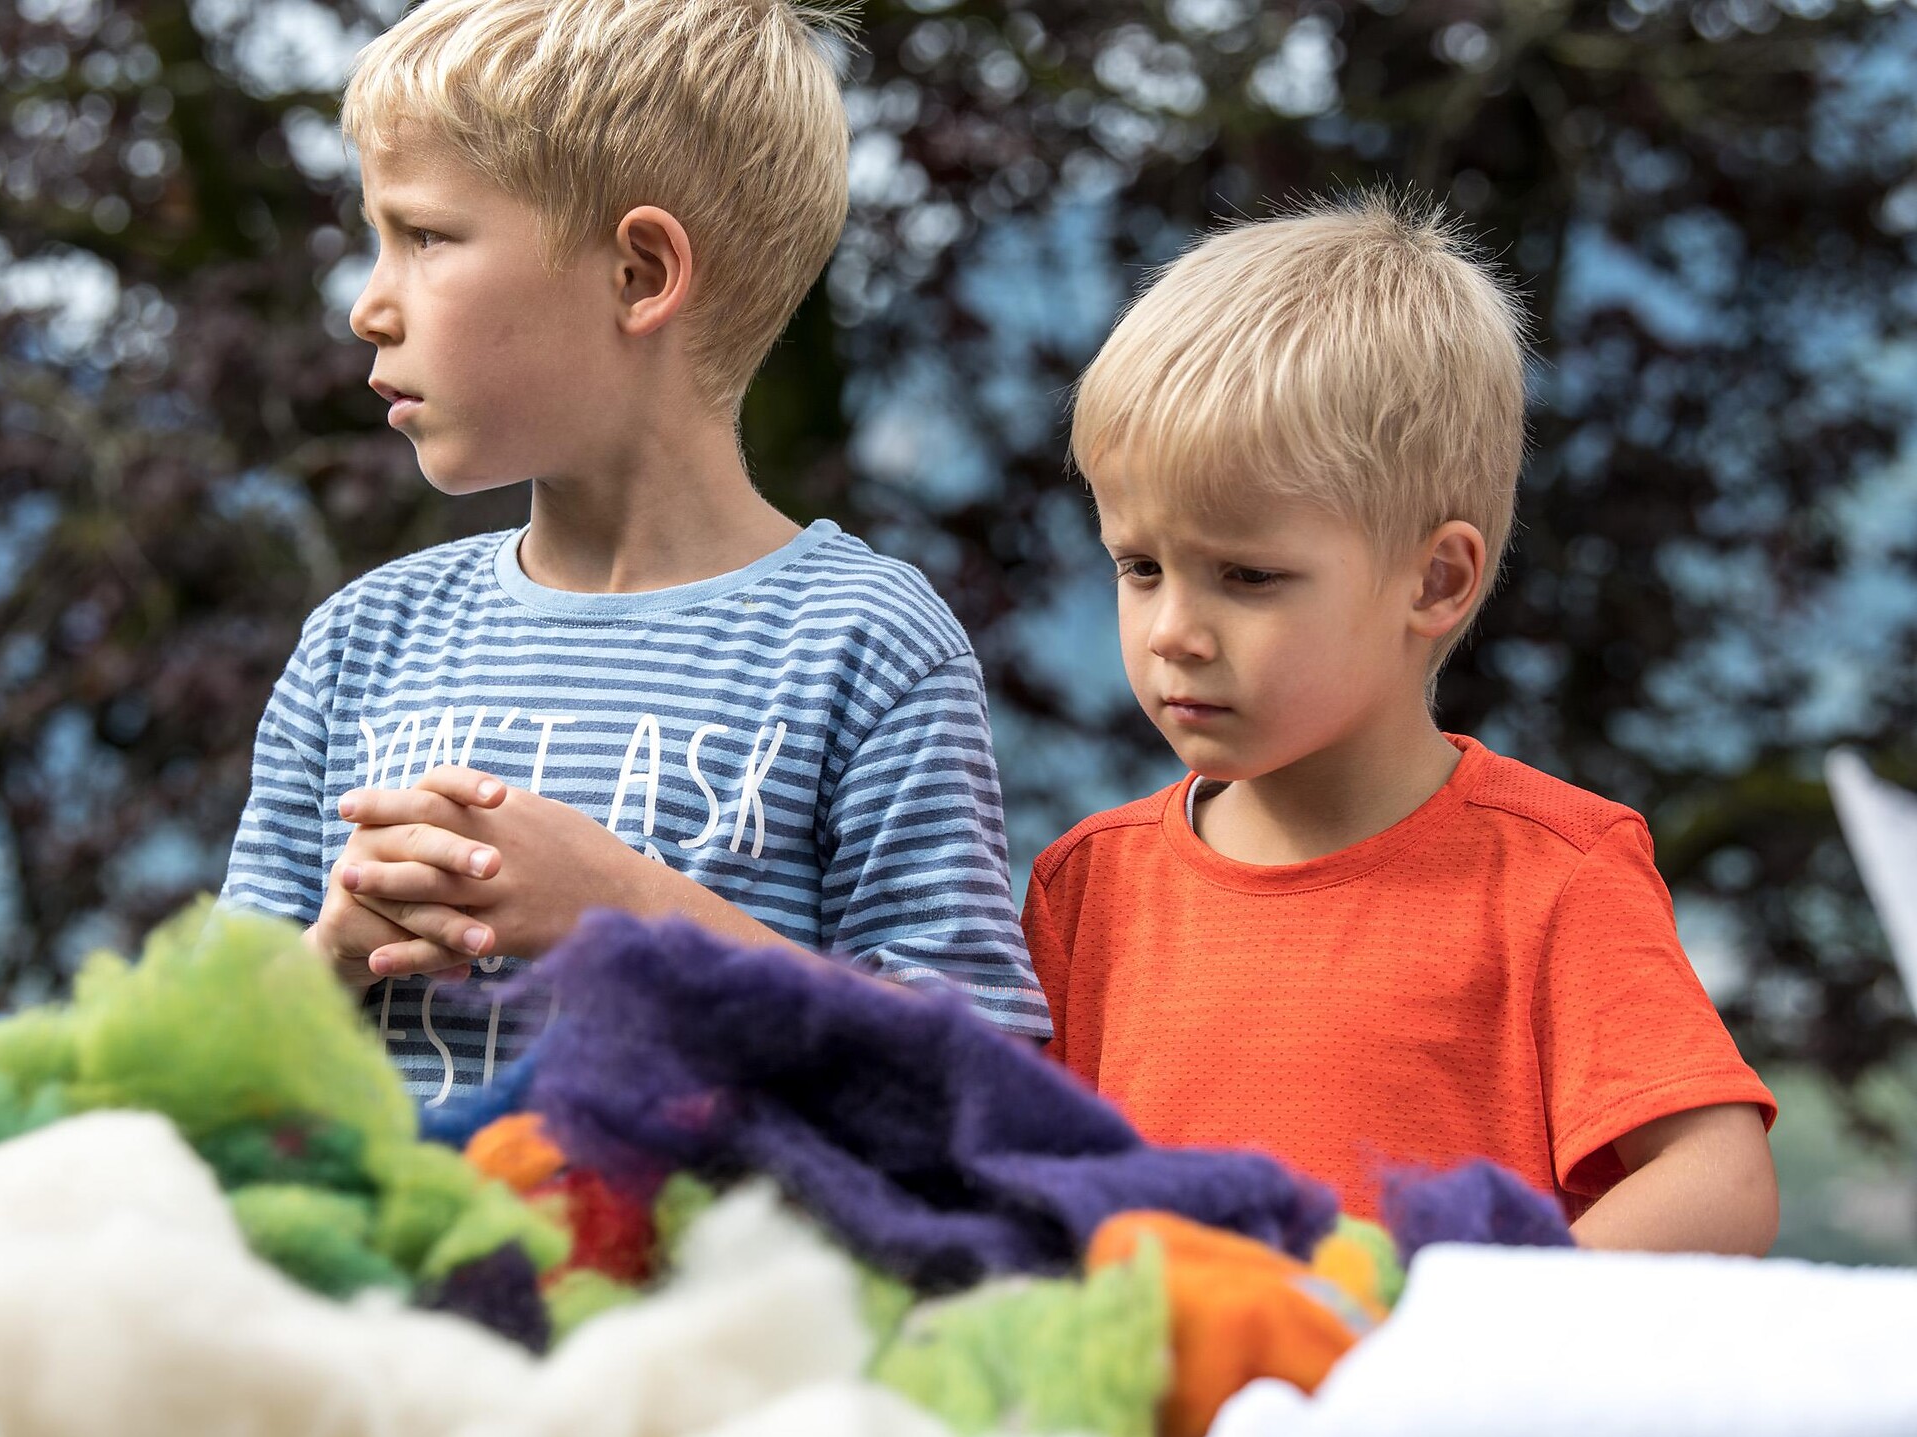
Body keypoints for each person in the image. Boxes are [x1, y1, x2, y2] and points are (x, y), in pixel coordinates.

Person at [221, 0, 1049, 1106]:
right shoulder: (357, 645)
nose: (368, 306)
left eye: (425, 237)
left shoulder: (864, 646)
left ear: (640, 274)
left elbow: (984, 1091)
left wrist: (629, 910)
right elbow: (202, 1068)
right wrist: (329, 954)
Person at [1024, 193, 1779, 1252]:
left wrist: (1452, 1327)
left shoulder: (1558, 873)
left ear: (1436, 581)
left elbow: (1721, 1184)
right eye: (1140, 567)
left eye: (1248, 576)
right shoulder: (1085, 890)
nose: (1173, 633)